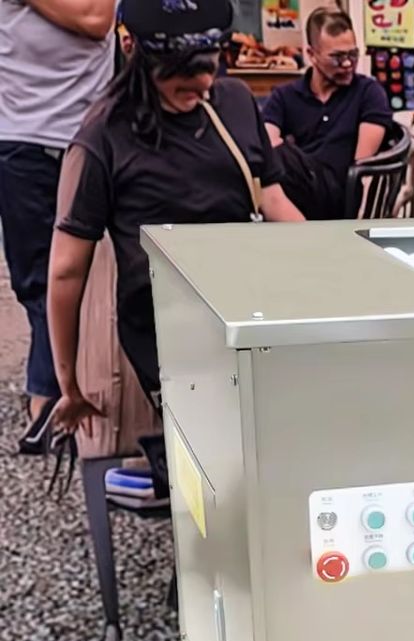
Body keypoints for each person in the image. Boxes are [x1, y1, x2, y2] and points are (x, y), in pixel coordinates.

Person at [48, 0, 304, 434]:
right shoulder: (103, 137)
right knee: (214, 443)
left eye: (208, 67)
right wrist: (68, 383)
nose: (202, 86)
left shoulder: (235, 102)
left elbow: (273, 200)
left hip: (250, 307)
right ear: (131, 50)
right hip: (167, 329)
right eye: (182, 75)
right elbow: (66, 269)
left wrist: (332, 269)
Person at [0, 0, 116, 453]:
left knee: (94, 275)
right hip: (23, 137)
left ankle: (68, 396)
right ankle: (51, 398)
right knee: (37, 281)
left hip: (90, 136)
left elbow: (97, 19)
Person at [262, 9, 392, 219]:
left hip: (341, 193)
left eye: (353, 55)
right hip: (294, 190)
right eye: (337, 57)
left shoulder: (368, 93)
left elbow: (363, 164)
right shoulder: (285, 96)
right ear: (311, 55)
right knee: (263, 155)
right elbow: (265, 144)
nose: (347, 64)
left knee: (279, 156)